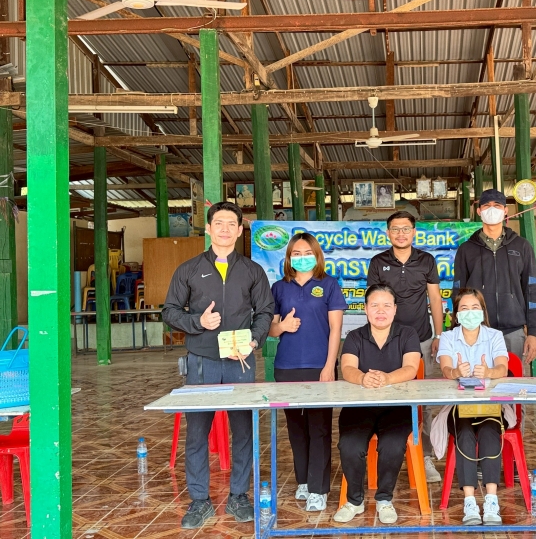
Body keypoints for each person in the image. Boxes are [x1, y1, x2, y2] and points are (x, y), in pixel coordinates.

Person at [162, 202, 274, 529]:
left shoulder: (252, 271)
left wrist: (253, 340)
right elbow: (169, 312)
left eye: (231, 224)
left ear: (240, 230)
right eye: (219, 223)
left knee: (244, 430)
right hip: (201, 361)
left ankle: (239, 495)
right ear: (208, 229)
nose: (225, 229)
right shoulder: (189, 269)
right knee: (198, 431)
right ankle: (200, 501)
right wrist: (197, 321)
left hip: (241, 361)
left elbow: (265, 311)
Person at [269, 233, 346, 513]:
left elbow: (336, 329)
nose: (302, 258)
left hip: (318, 367)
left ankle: (318, 488)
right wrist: (282, 327)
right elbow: (271, 328)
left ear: (317, 255)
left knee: (319, 428)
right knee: (296, 429)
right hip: (286, 367)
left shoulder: (329, 285)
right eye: (296, 253)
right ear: (289, 257)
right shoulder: (279, 287)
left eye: (307, 253)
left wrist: (329, 366)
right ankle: (303, 480)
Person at [334, 284, 422, 525]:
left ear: (395, 309)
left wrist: (387, 378)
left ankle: (384, 499)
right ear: (365, 309)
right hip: (359, 407)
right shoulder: (355, 336)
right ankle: (354, 501)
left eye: (386, 305)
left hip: (397, 407)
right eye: (374, 305)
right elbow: (347, 368)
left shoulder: (407, 334)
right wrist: (363, 378)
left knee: (392, 445)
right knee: (350, 445)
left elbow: (411, 367)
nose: (380, 311)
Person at [367, 211, 444, 482]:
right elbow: (374, 302)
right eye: (395, 229)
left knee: (422, 401)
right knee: (383, 393)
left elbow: (435, 299)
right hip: (386, 342)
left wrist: (439, 335)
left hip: (421, 338)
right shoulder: (378, 262)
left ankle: (424, 456)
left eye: (406, 229)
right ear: (388, 233)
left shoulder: (426, 260)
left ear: (414, 232)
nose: (401, 233)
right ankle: (384, 453)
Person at [433, 288, 511, 526]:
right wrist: (456, 371)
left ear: (483, 311)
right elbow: (446, 369)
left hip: (490, 407)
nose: (470, 313)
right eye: (464, 308)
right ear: (456, 314)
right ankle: (469, 502)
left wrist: (488, 372)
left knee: (489, 430)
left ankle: (491, 500)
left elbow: (503, 368)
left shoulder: (495, 335)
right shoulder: (448, 337)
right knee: (464, 432)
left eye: (475, 307)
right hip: (458, 408)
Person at [453, 188, 536, 374]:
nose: (492, 209)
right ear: (479, 211)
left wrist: (534, 332)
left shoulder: (522, 246)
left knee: (512, 383)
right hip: (476, 332)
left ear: (505, 210)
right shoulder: (466, 249)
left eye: (497, 205)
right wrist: (456, 328)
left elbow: (532, 290)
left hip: (513, 332)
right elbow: (458, 292)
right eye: (486, 206)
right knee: (477, 381)